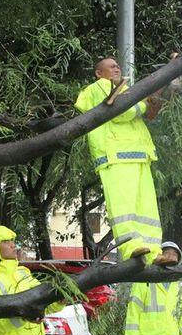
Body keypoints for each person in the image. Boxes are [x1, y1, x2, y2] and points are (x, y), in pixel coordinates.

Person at [74, 57, 175, 266]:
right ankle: (130, 246)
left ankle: (153, 252)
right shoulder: (99, 87)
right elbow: (123, 112)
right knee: (124, 208)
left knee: (146, 210)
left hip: (138, 155)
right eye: (111, 66)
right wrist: (145, 104)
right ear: (99, 73)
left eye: (118, 65)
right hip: (115, 155)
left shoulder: (126, 90)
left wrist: (149, 102)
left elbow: (141, 111)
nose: (117, 67)